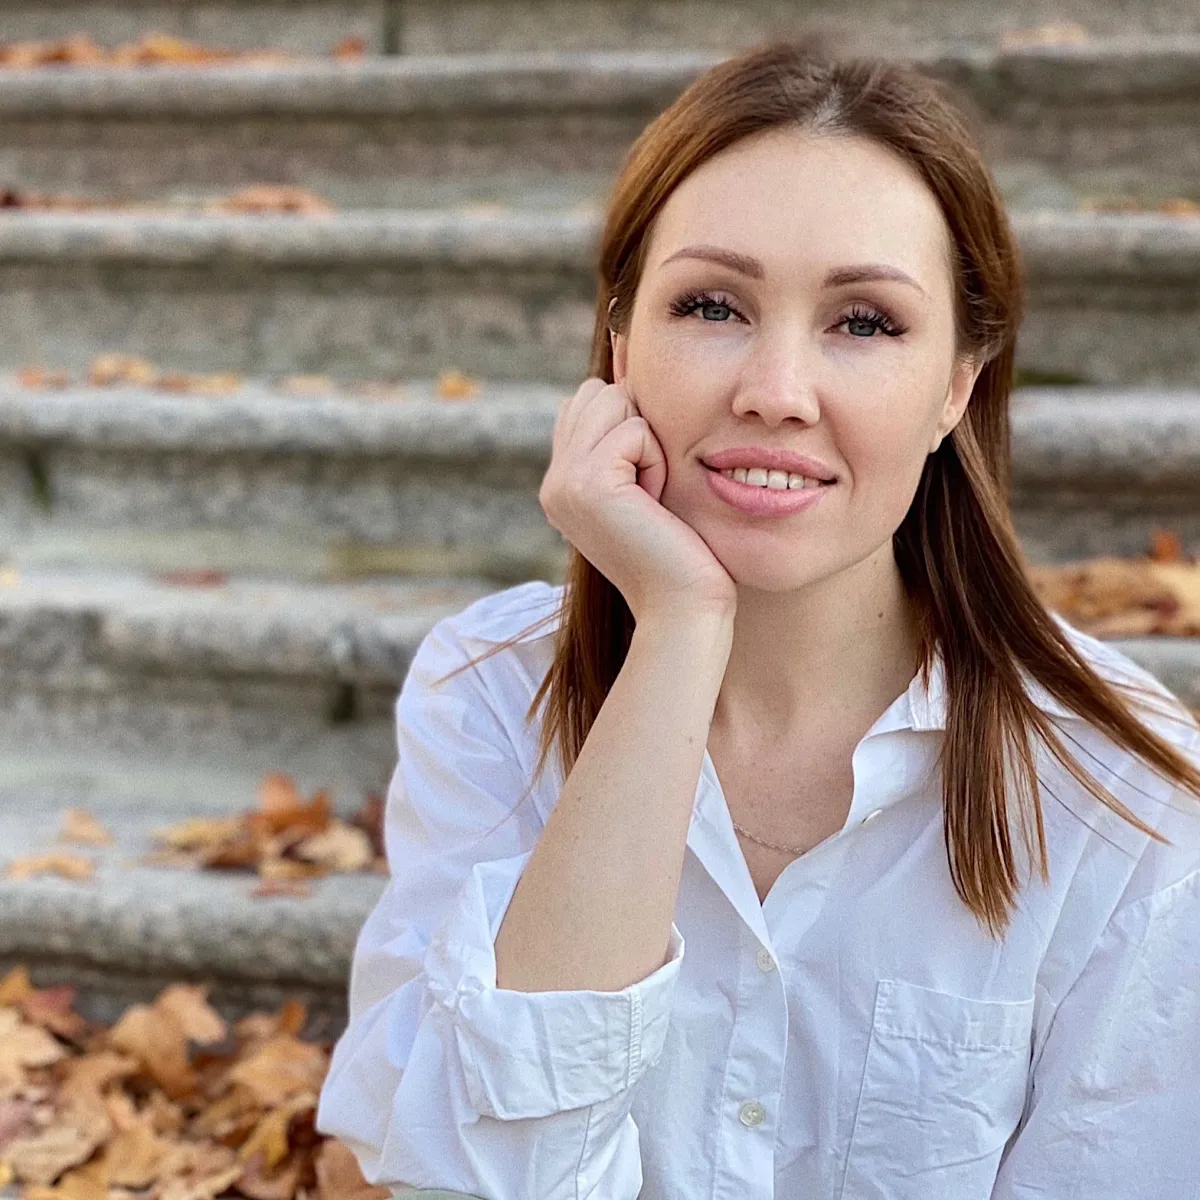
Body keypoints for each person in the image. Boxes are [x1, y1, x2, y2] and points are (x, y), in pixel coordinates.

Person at [316, 37, 1200, 1200]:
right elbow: (459, 1179)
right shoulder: (489, 691)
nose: (777, 392)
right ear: (622, 345)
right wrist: (681, 628)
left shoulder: (1120, 790)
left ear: (958, 384)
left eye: (864, 323)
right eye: (713, 305)